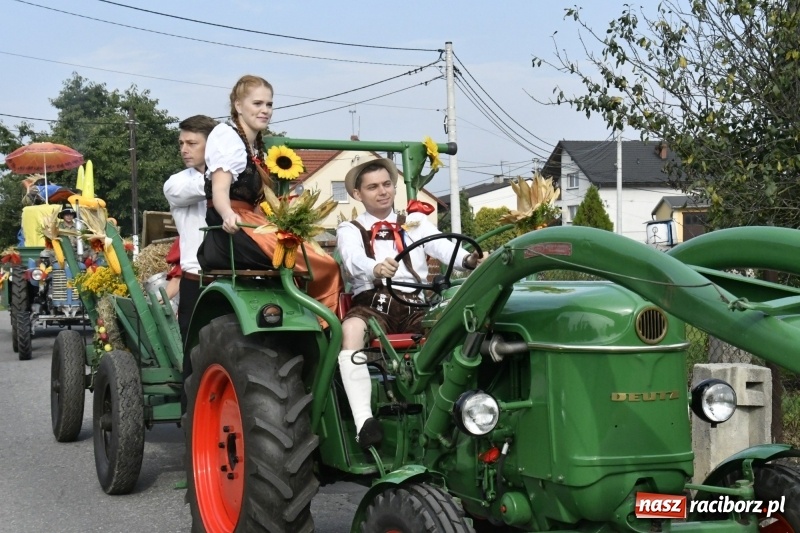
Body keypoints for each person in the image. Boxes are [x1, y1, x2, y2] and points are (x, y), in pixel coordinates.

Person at [336, 158, 485, 449]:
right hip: (373, 302)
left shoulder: (415, 224)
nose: (382, 191)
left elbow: (443, 246)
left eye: (387, 184)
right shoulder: (350, 229)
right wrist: (376, 268)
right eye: (373, 187)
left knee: (449, 330)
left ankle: (457, 412)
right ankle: (364, 422)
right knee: (352, 329)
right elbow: (352, 259)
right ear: (358, 194)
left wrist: (468, 260)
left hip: (416, 303)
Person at [197, 74, 342, 316]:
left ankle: (317, 322)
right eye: (258, 104)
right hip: (236, 229)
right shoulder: (227, 137)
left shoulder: (255, 145)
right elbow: (220, 189)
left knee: (316, 257)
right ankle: (323, 322)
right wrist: (228, 215)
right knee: (321, 263)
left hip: (251, 223)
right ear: (238, 106)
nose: (265, 110)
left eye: (269, 104)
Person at [163, 114, 217, 409]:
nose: (184, 149)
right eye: (181, 143)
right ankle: (190, 419)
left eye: (192, 143)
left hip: (237, 275)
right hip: (197, 278)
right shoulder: (176, 184)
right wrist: (226, 175)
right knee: (194, 352)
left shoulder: (231, 174)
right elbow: (203, 189)